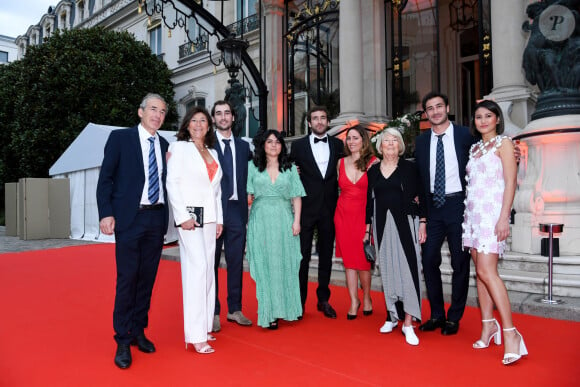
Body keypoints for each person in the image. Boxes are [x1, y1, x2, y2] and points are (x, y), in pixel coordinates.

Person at [97, 93, 169, 369]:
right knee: (128, 279)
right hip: (129, 219)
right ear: (140, 112)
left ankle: (139, 330)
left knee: (147, 279)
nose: (158, 115)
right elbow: (106, 180)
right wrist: (106, 212)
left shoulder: (164, 144)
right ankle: (123, 338)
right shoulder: (120, 139)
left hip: (155, 219)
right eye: (153, 109)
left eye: (162, 111)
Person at [462, 100, 527, 365]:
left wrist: (504, 218)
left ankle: (511, 333)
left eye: (488, 116)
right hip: (473, 216)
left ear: (497, 119)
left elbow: (511, 182)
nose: (483, 120)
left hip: (492, 216)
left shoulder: (505, 144)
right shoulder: (475, 148)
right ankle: (489, 325)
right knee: (479, 273)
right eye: (478, 117)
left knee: (488, 272)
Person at [414, 92, 475, 336]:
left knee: (460, 263)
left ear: (447, 108)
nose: (436, 111)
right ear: (426, 114)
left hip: (459, 205)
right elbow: (418, 178)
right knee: (429, 260)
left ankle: (454, 316)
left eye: (439, 106)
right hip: (433, 208)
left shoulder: (464, 136)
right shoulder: (421, 141)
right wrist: (423, 217)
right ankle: (437, 314)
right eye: (430, 108)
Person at [166, 106, 223, 354]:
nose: (198, 124)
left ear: (209, 126)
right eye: (194, 120)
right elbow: (172, 183)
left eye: (203, 120)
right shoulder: (179, 148)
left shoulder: (212, 152)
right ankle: (196, 335)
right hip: (190, 219)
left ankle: (205, 324)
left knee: (208, 271)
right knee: (197, 269)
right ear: (187, 125)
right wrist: (182, 216)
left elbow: (216, 190)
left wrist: (219, 219)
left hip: (210, 220)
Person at [365, 128, 427, 346]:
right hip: (382, 225)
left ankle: (408, 322)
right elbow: (368, 202)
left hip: (405, 224)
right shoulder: (373, 170)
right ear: (380, 146)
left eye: (394, 140)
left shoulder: (409, 168)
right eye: (386, 141)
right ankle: (392, 315)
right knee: (389, 270)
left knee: (408, 270)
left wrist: (422, 222)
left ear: (400, 145)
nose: (390, 144)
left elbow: (422, 197)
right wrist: (367, 230)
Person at [246, 130, 305, 329]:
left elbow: (296, 196)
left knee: (285, 263)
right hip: (260, 220)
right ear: (263, 145)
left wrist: (296, 222)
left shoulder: (290, 169)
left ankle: (288, 309)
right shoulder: (252, 167)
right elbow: (247, 195)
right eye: (269, 142)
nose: (273, 145)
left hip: (283, 219)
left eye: (277, 142)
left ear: (282, 146)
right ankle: (268, 313)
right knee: (264, 265)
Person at [290, 105, 345, 319]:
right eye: (315, 118)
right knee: (302, 258)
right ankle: (299, 303)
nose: (320, 121)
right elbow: (289, 172)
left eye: (323, 118)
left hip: (330, 209)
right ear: (309, 123)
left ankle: (323, 299)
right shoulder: (298, 146)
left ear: (328, 122)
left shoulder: (339, 145)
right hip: (305, 209)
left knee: (326, 257)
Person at [211, 100, 252, 332]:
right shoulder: (206, 145)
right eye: (219, 114)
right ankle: (214, 311)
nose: (224, 117)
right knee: (213, 262)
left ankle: (235, 309)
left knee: (236, 261)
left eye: (227, 113)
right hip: (215, 210)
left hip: (237, 211)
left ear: (233, 118)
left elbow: (255, 172)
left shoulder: (244, 147)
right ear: (214, 119)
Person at [333, 126, 377, 319]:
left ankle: (367, 296)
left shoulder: (373, 162)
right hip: (343, 216)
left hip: (364, 216)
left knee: (363, 261)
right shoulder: (340, 162)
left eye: (355, 138)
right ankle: (353, 300)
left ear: (364, 140)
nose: (351, 142)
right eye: (348, 138)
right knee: (349, 262)